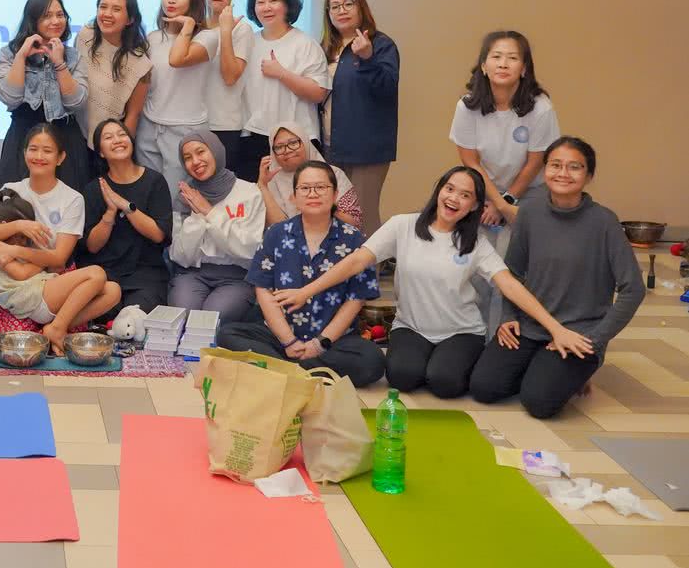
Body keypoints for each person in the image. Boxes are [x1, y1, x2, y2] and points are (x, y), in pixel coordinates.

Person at [275, 166, 582, 398]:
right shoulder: (403, 226)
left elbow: (509, 285)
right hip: (411, 327)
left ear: (474, 206)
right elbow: (356, 261)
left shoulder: (475, 243)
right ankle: (432, 362)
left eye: (465, 195)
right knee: (402, 378)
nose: (454, 198)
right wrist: (306, 291)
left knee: (445, 383)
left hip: (461, 331)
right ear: (439, 191)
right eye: (450, 189)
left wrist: (556, 329)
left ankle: (457, 364)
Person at [469, 138, 645, 418]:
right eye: (556, 165)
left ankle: (572, 370)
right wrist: (508, 316)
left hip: (578, 332)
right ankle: (549, 369)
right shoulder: (529, 214)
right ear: (545, 170)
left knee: (539, 403)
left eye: (575, 167)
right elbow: (513, 273)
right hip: (530, 325)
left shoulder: (604, 222)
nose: (563, 173)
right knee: (484, 388)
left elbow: (633, 289)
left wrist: (595, 340)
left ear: (589, 175)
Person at [217, 161, 385, 386]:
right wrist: (288, 340)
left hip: (333, 341)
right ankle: (305, 370)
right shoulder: (276, 233)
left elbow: (356, 299)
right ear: (293, 197)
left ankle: (284, 371)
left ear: (335, 195)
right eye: (305, 188)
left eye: (321, 187)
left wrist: (320, 343)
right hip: (280, 337)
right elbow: (262, 289)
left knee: (372, 361)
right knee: (227, 335)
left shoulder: (354, 238)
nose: (313, 193)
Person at [0, 188, 121, 355]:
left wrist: (22, 254)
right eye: (20, 235)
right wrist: (43, 261)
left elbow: (43, 265)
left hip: (41, 291)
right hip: (30, 297)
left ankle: (57, 325)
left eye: (25, 237)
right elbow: (22, 274)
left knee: (113, 291)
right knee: (96, 273)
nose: (23, 241)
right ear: (6, 226)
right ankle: (57, 328)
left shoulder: (14, 247)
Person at [450, 30, 559, 228]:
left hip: (529, 190)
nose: (503, 64)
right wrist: (498, 203)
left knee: (524, 233)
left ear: (524, 68)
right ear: (484, 66)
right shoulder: (466, 107)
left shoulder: (541, 108)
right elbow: (470, 161)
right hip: (484, 188)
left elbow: (535, 163)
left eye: (512, 58)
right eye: (496, 57)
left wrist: (506, 201)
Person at [319, 0, 399, 237]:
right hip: (330, 145)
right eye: (335, 6)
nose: (341, 10)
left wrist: (367, 58)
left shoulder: (381, 44)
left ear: (360, 7)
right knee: (333, 216)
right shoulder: (325, 48)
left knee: (361, 216)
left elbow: (387, 88)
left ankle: (371, 264)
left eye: (348, 3)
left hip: (366, 149)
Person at [0, 0, 89, 190]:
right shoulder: (10, 54)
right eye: (47, 16)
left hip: (65, 139)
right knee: (15, 204)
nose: (56, 21)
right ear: (33, 20)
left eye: (60, 15)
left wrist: (59, 63)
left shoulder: (73, 56)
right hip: (23, 138)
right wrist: (21, 57)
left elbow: (76, 102)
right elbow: (10, 97)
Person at [237, 0, 329, 182]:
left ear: (288, 5)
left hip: (296, 139)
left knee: (297, 196)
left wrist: (282, 73)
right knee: (256, 196)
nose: (266, 7)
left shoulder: (305, 44)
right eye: (260, 2)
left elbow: (318, 92)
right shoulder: (249, 42)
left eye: (273, 1)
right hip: (254, 135)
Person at [78, 119, 172, 317]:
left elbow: (158, 235)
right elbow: (92, 246)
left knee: (133, 319)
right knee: (101, 317)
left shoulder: (154, 181)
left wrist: (126, 206)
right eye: (108, 137)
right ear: (101, 152)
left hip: (145, 275)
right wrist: (109, 214)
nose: (117, 140)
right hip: (106, 274)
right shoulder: (94, 189)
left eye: (122, 135)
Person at [167, 133, 265, 322]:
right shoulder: (185, 197)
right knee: (182, 316)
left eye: (200, 152)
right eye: (187, 158)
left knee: (209, 320)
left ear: (216, 151)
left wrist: (209, 212)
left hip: (236, 278)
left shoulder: (248, 192)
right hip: (193, 274)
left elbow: (249, 249)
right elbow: (179, 256)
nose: (195, 161)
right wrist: (197, 217)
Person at [138, 0, 215, 185]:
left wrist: (188, 26)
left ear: (194, 0)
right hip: (149, 125)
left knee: (177, 197)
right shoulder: (152, 38)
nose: (171, 0)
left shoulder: (207, 37)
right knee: (149, 192)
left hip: (186, 129)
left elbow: (177, 59)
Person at [0, 124, 85, 273]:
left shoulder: (73, 199)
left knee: (104, 282)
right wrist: (19, 226)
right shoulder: (9, 190)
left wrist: (14, 251)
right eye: (33, 149)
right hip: (13, 272)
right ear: (25, 153)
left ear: (60, 158)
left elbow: (59, 258)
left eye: (47, 151)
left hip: (54, 275)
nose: (39, 157)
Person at [74, 0, 151, 169]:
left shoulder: (140, 62)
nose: (107, 14)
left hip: (108, 146)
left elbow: (133, 115)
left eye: (116, 9)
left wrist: (119, 156)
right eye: (103, 7)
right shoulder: (85, 35)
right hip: (74, 136)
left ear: (130, 19)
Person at [258, 122, 362, 229]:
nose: (287, 150)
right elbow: (277, 230)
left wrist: (327, 205)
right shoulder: (270, 182)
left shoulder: (333, 173)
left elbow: (354, 223)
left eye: (293, 143)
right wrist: (263, 186)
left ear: (305, 143)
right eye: (279, 147)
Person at [201, 0, 253, 176]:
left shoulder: (242, 29)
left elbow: (230, 76)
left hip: (225, 124)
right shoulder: (195, 26)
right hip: (193, 120)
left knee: (222, 186)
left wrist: (225, 31)